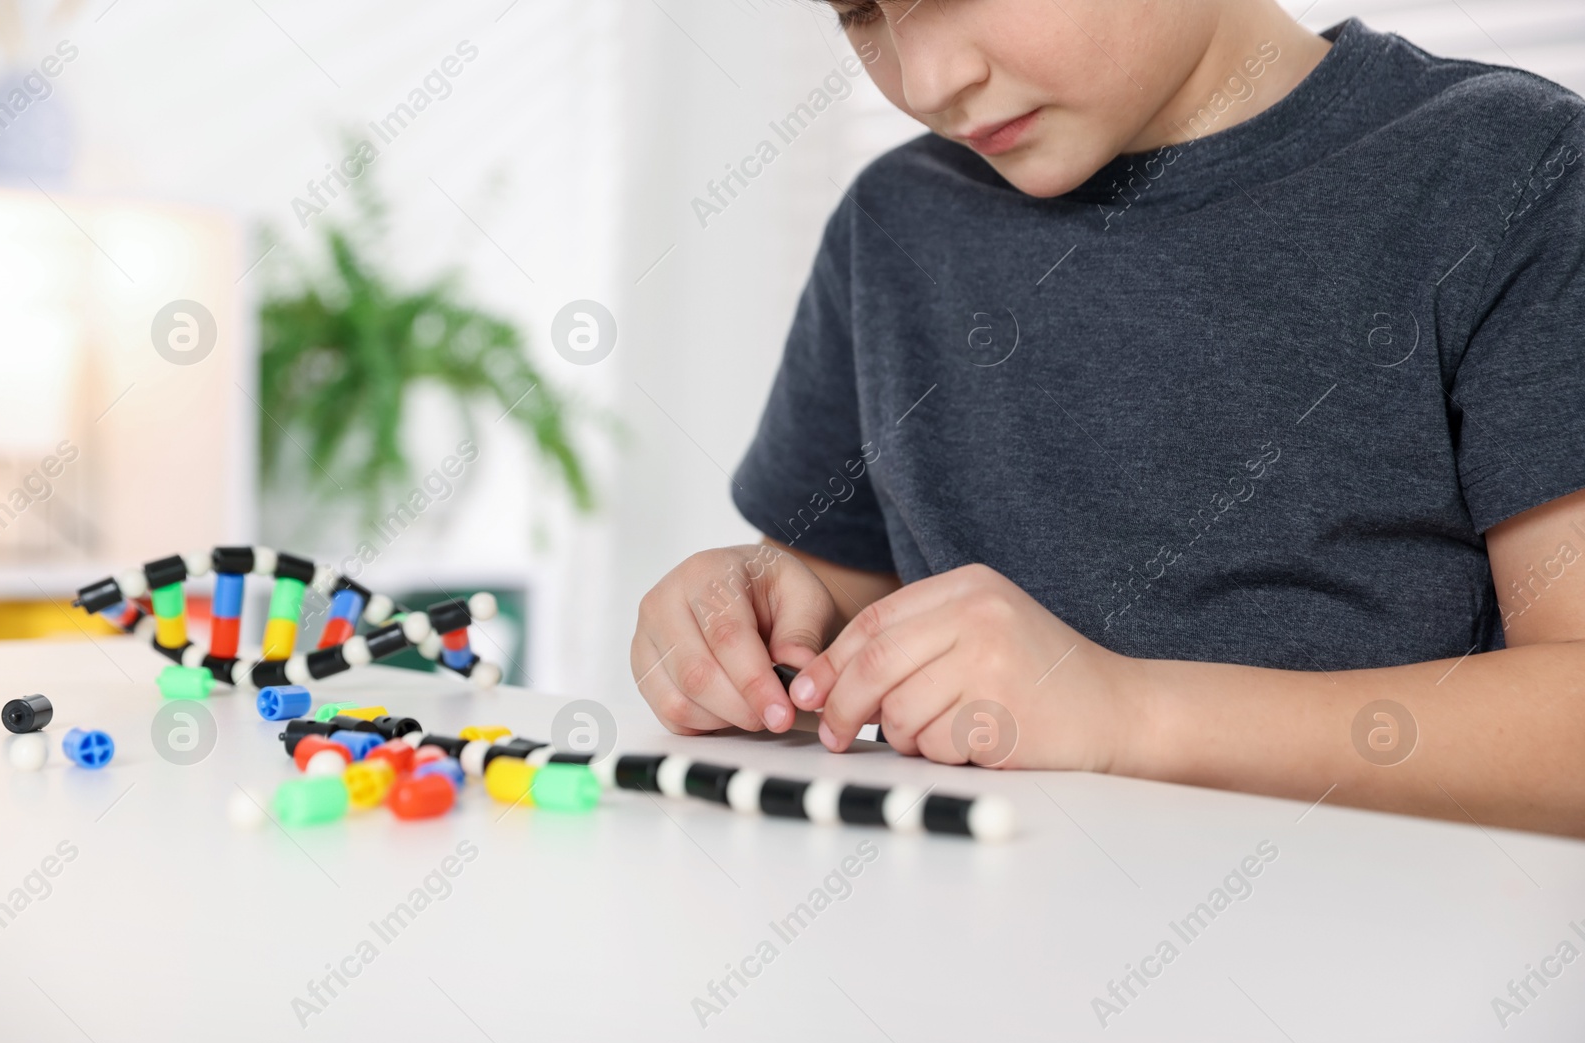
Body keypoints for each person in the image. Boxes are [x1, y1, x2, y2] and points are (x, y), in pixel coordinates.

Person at [630, 0, 1585, 837]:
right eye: (861, 12)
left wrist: (1130, 715)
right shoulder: (894, 226)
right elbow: (830, 608)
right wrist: (751, 622)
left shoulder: (1508, 172)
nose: (927, 78)